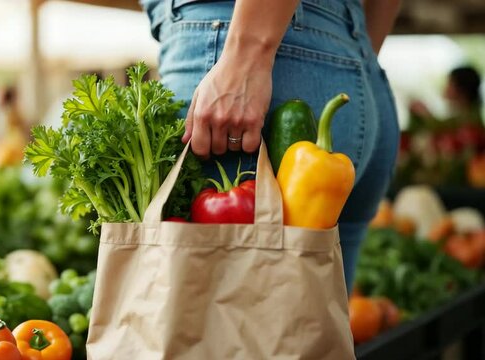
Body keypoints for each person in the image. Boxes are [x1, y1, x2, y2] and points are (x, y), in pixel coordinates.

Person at [141, 0, 402, 292]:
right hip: (351, 53)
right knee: (307, 320)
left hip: (246, 40)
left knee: (218, 323)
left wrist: (246, 55)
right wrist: (351, 47)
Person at [410, 66, 483, 130]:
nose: (446, 87)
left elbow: (445, 129)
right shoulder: (466, 113)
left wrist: (425, 114)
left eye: (450, 83)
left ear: (461, 89)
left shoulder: (470, 118)